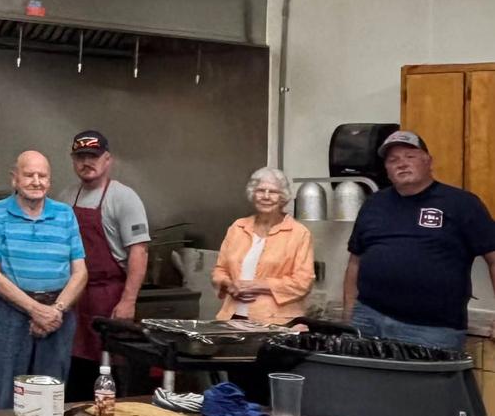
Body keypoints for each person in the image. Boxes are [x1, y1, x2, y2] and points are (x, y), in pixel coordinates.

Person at [343, 130, 495, 351]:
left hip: (432, 330)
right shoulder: (374, 204)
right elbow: (355, 261)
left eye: (410, 156)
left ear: (428, 161)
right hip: (367, 319)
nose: (402, 163)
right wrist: (350, 312)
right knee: (361, 375)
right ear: (386, 170)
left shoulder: (462, 204)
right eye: (393, 160)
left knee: (424, 377)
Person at [0, 150, 88, 408]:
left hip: (57, 317)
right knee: (0, 398)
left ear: (49, 180)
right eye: (29, 175)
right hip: (7, 315)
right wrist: (35, 310)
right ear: (14, 179)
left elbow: (80, 272)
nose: (36, 181)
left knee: (48, 401)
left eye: (42, 176)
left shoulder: (65, 214)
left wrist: (55, 310)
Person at [58, 130, 150, 402]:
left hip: (109, 297)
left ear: (107, 159)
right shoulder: (66, 197)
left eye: (93, 157)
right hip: (74, 296)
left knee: (110, 370)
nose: (86, 162)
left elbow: (139, 251)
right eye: (80, 157)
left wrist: (128, 301)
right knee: (75, 368)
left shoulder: (124, 197)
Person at [212, 167, 315, 324]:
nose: (266, 196)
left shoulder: (299, 233)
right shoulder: (238, 227)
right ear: (253, 194)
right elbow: (220, 270)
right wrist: (229, 285)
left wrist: (259, 285)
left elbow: (303, 282)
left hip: (276, 322)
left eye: (273, 192)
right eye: (260, 190)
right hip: (232, 318)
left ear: (282, 197)